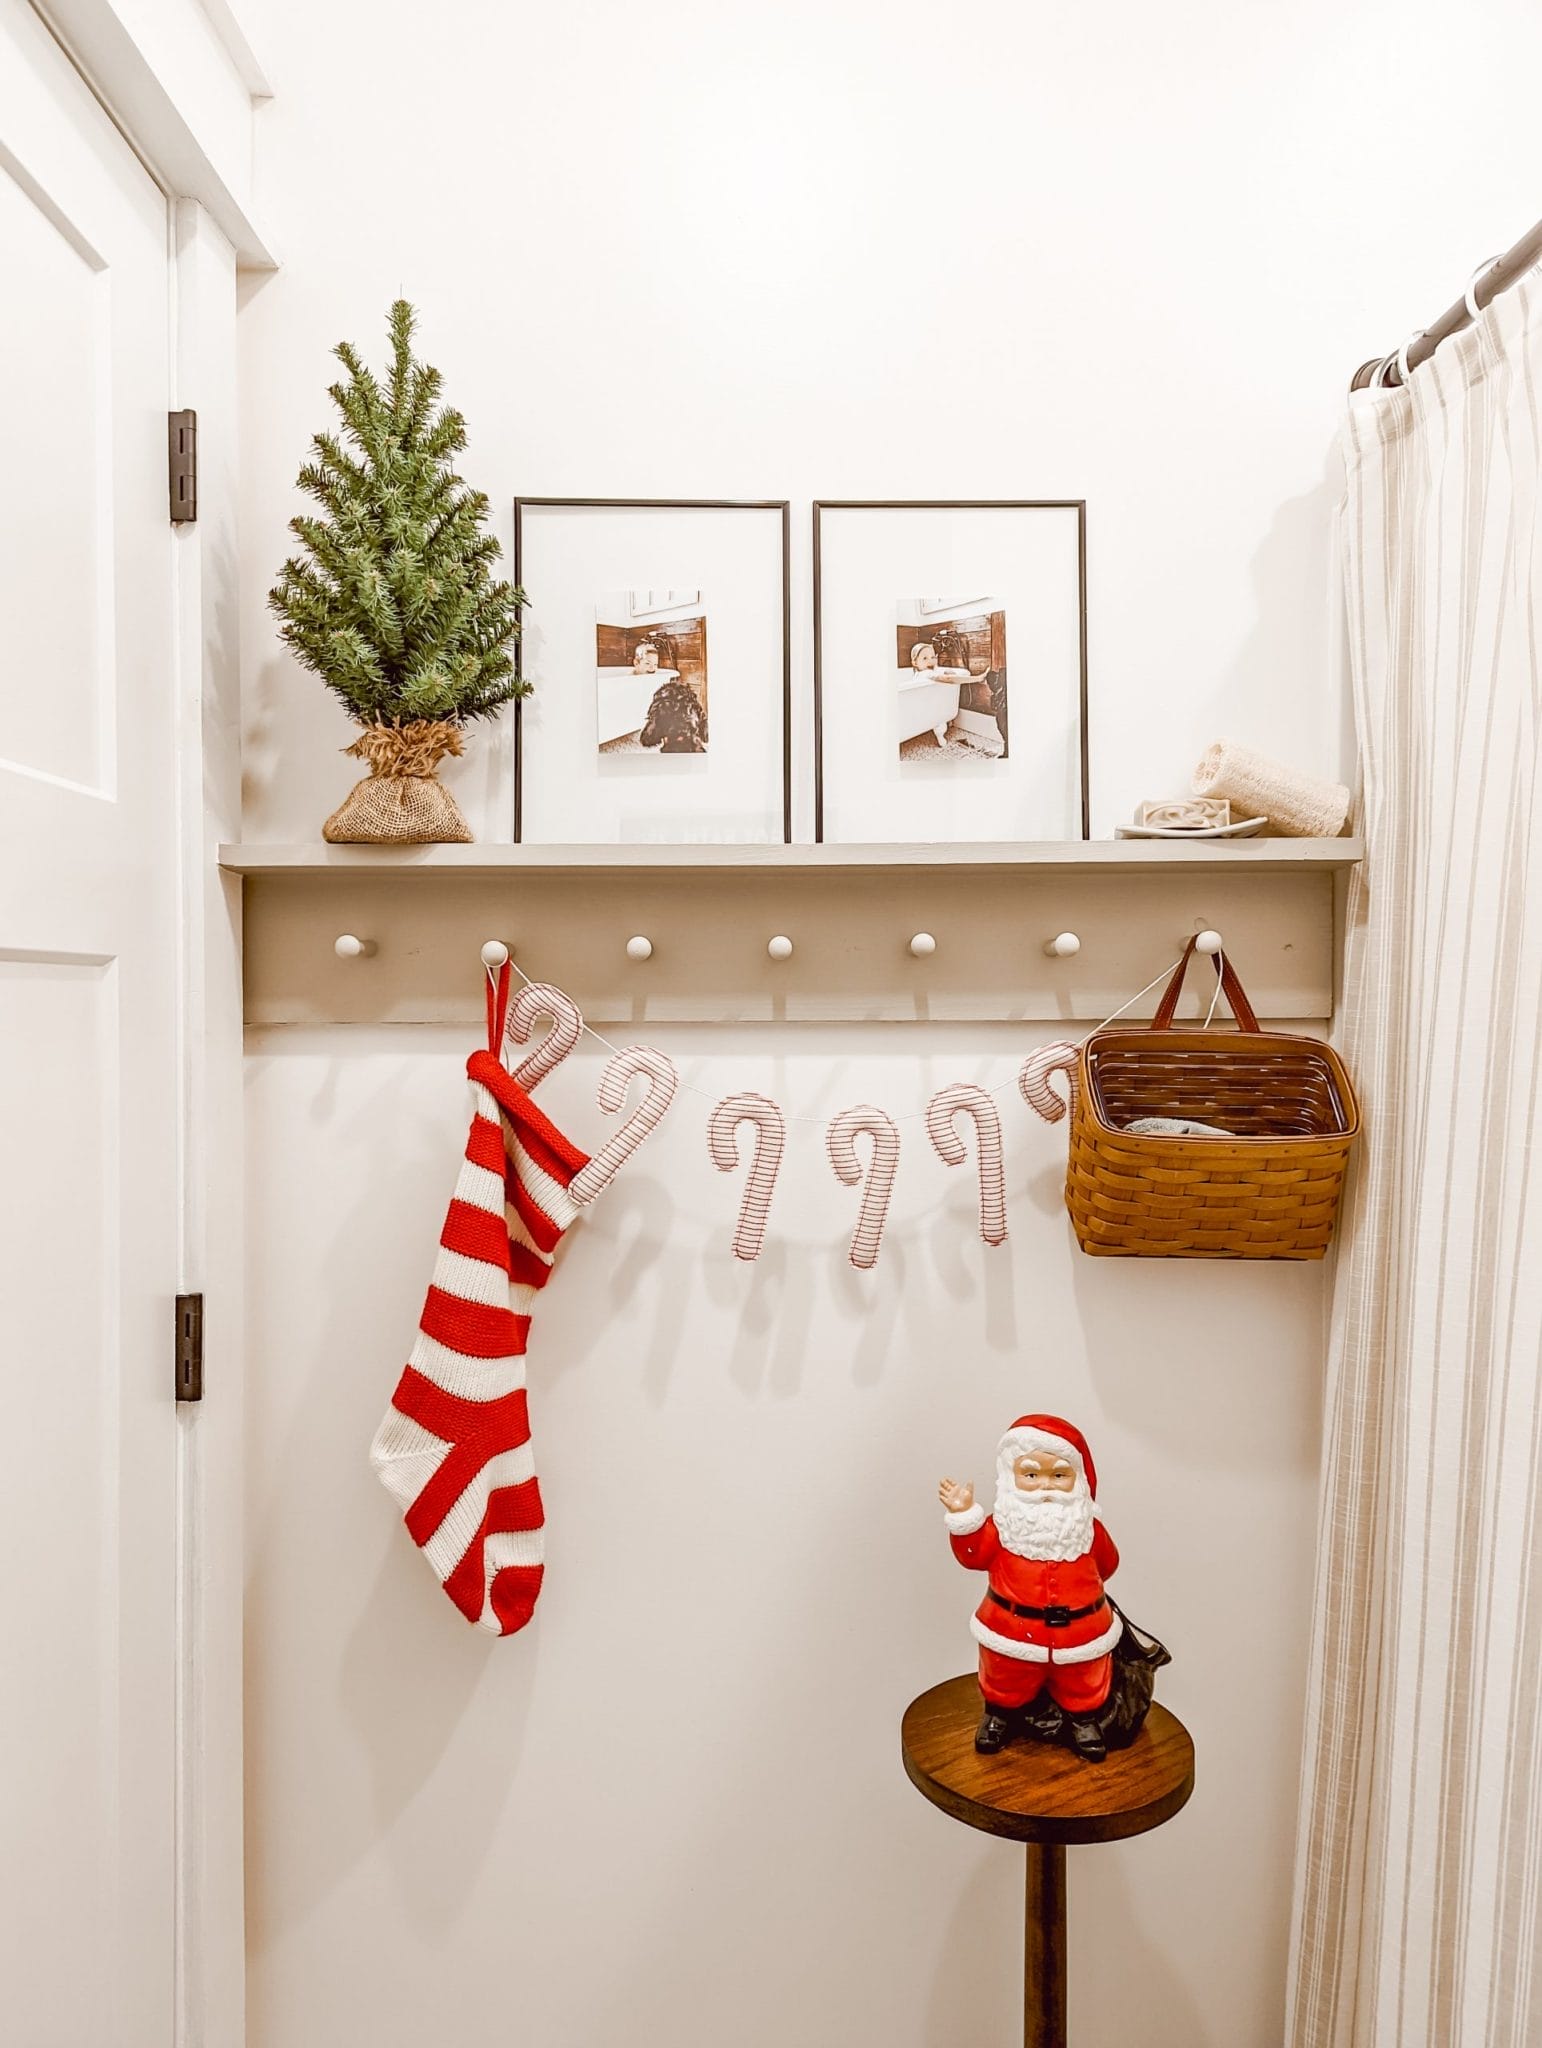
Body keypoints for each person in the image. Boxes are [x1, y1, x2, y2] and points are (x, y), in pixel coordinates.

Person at [938, 1414, 1123, 1760]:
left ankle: (1084, 1719)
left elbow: (1108, 1564)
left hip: (1080, 1632)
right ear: (1013, 1476)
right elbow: (973, 1555)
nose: (1045, 1485)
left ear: (1077, 1480)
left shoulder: (1088, 1530)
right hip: (1010, 1629)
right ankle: (999, 1715)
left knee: (1083, 1679)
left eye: (1058, 1475)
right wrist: (964, 1517)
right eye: (1032, 1474)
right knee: (1005, 1677)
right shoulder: (1003, 1527)